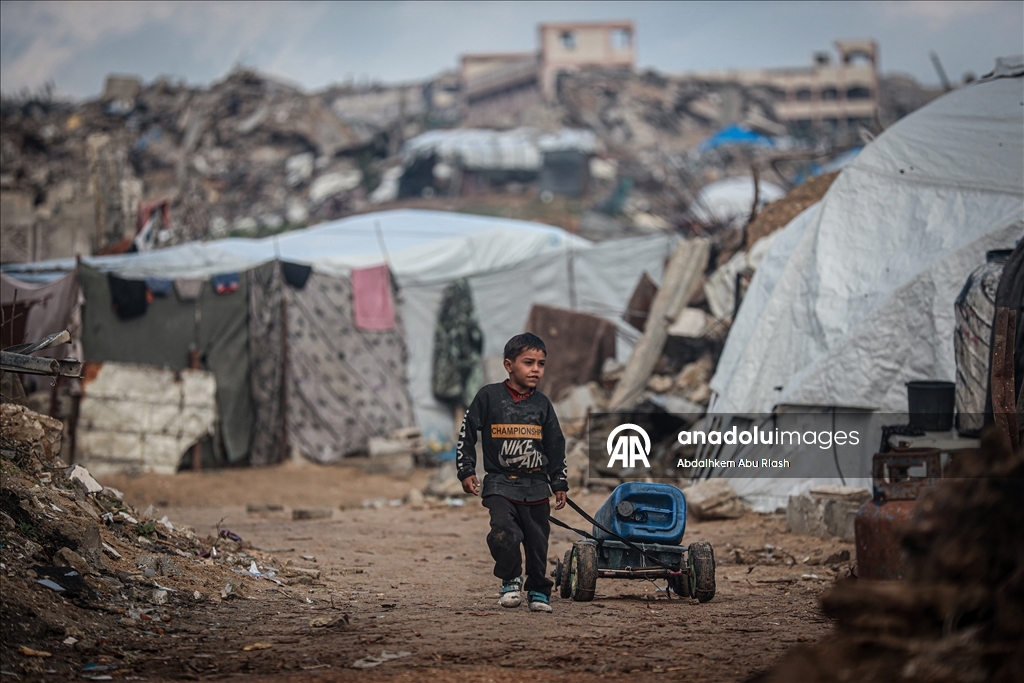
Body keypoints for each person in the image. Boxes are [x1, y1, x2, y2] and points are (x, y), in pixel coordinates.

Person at [457, 333, 568, 613]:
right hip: (499, 483)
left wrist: (559, 482)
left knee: (537, 541)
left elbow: (556, 445)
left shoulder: (542, 405)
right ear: (508, 365)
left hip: (535, 486)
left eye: (541, 364)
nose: (536, 370)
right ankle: (510, 578)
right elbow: (467, 433)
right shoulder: (489, 397)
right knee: (503, 534)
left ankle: (539, 590)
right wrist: (466, 470)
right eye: (528, 362)